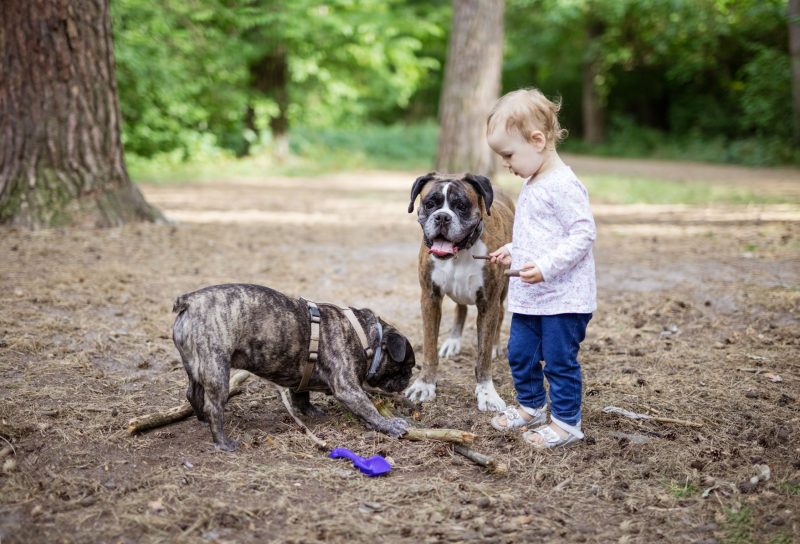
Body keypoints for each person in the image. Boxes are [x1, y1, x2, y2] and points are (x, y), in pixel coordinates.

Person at [485, 88, 597, 449]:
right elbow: (540, 235)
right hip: (531, 297)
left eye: (509, 154)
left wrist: (546, 267)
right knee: (520, 353)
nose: (506, 163)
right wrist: (512, 250)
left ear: (537, 140)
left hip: (564, 299)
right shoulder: (534, 182)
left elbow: (583, 234)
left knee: (559, 362)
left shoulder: (563, 184)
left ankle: (567, 424)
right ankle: (531, 405)